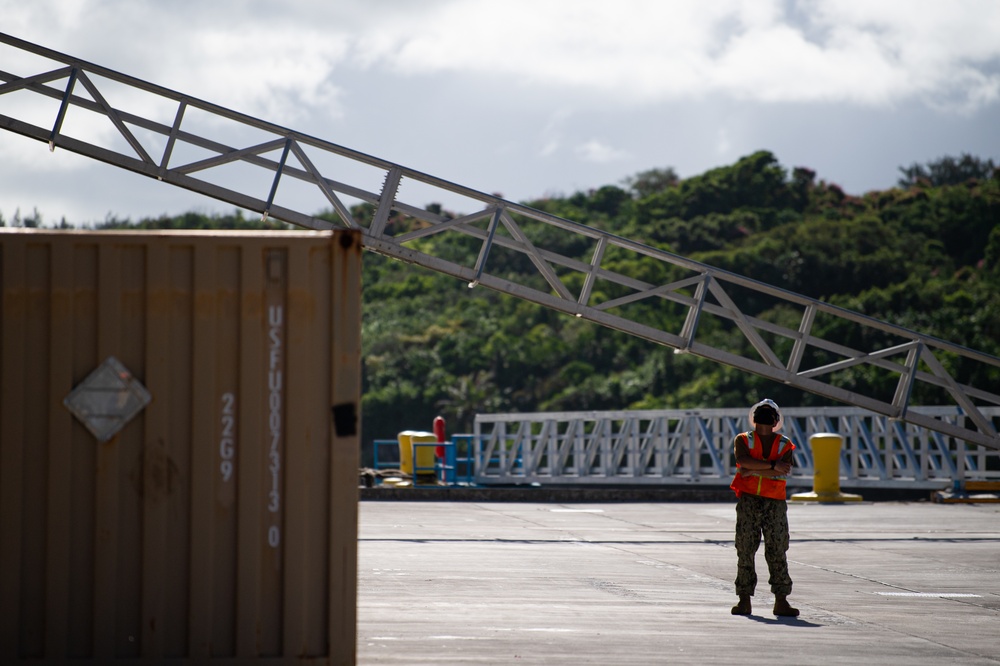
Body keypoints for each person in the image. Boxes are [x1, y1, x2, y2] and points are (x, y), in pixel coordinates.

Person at [729, 398, 800, 617]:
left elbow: (782, 470)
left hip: (775, 502)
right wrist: (770, 466)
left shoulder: (784, 444)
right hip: (750, 500)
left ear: (776, 420)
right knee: (745, 549)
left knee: (777, 549)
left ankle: (781, 600)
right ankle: (744, 600)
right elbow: (744, 462)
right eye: (763, 412)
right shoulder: (743, 440)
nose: (766, 415)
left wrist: (754, 470)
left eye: (769, 413)